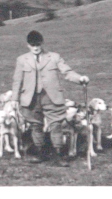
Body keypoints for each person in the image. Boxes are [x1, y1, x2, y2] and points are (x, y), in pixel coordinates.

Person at [12, 29, 89, 165]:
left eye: (38, 44)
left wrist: (80, 78)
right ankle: (39, 153)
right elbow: (17, 80)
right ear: (27, 45)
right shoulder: (21, 59)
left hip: (52, 97)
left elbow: (67, 72)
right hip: (30, 99)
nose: (35, 48)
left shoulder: (54, 57)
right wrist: (14, 99)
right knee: (36, 125)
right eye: (32, 45)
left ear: (42, 44)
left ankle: (58, 155)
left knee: (56, 125)